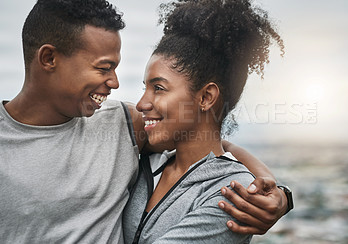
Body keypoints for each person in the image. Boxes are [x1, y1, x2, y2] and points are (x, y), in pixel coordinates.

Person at [0, 0, 291, 243]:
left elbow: (201, 136)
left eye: (158, 88)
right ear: (49, 58)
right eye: (104, 68)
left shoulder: (121, 125)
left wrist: (273, 190)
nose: (114, 83)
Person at [122, 0, 292, 243]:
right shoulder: (141, 164)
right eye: (145, 88)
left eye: (158, 88)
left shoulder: (233, 194)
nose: (142, 103)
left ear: (206, 97)